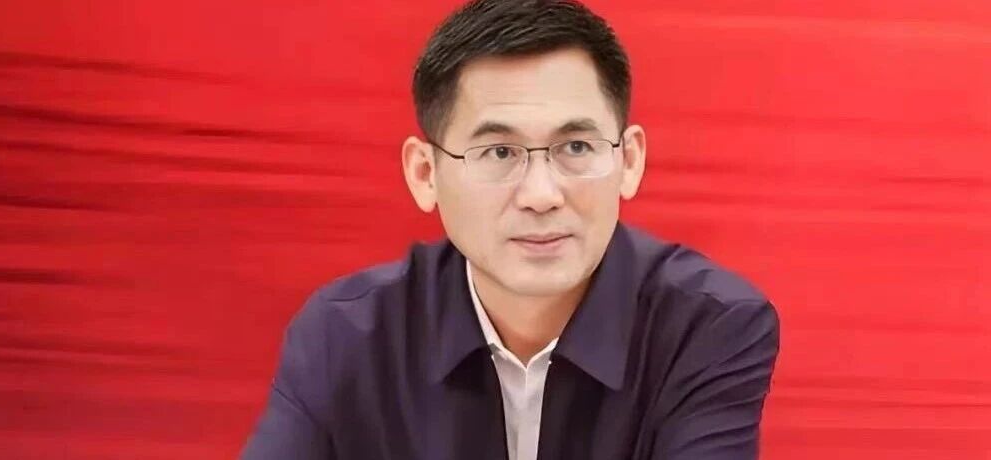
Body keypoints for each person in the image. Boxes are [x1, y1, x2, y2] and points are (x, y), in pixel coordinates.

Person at [241, 0, 780, 458]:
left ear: (630, 161)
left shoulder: (708, 327)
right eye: (499, 152)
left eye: (576, 147)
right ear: (425, 175)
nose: (541, 195)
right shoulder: (345, 336)